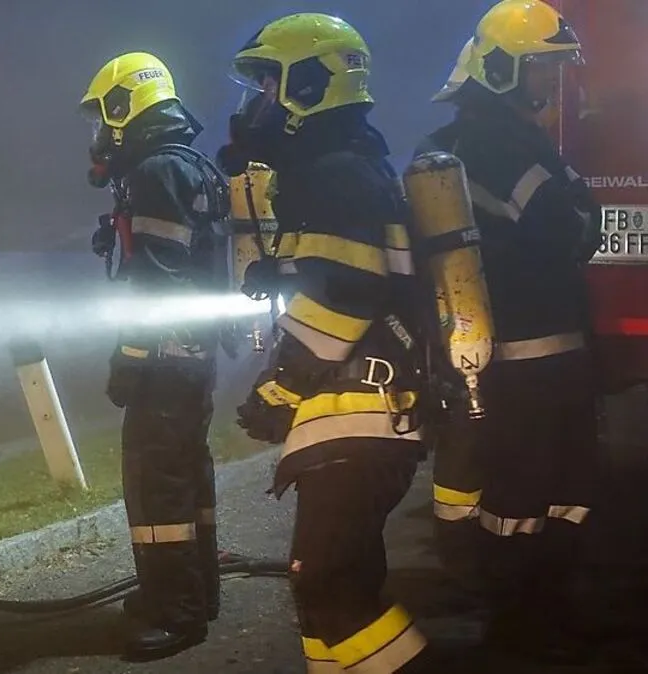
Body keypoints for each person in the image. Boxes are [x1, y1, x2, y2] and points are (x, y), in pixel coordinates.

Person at [224, 13, 440, 673]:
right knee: (336, 591)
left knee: (326, 586)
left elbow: (348, 291)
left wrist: (279, 387)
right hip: (366, 406)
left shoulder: (336, 171)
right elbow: (338, 268)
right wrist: (280, 269)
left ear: (313, 82)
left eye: (269, 82)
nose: (259, 100)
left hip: (358, 403)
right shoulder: (347, 165)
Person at [417, 0, 601, 663]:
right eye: (541, 71)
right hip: (528, 361)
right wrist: (579, 215)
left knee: (549, 494)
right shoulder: (498, 144)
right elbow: (572, 224)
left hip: (531, 355)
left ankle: (536, 611)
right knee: (529, 495)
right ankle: (520, 624)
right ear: (498, 70)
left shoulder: (469, 142)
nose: (552, 87)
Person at [80, 51, 230, 662]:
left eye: (102, 116)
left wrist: (130, 357)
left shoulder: (157, 173)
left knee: (157, 485)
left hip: (165, 357)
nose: (98, 133)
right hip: (190, 354)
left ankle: (177, 613)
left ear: (125, 107)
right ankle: (196, 594)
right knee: (187, 474)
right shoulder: (181, 165)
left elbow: (160, 285)